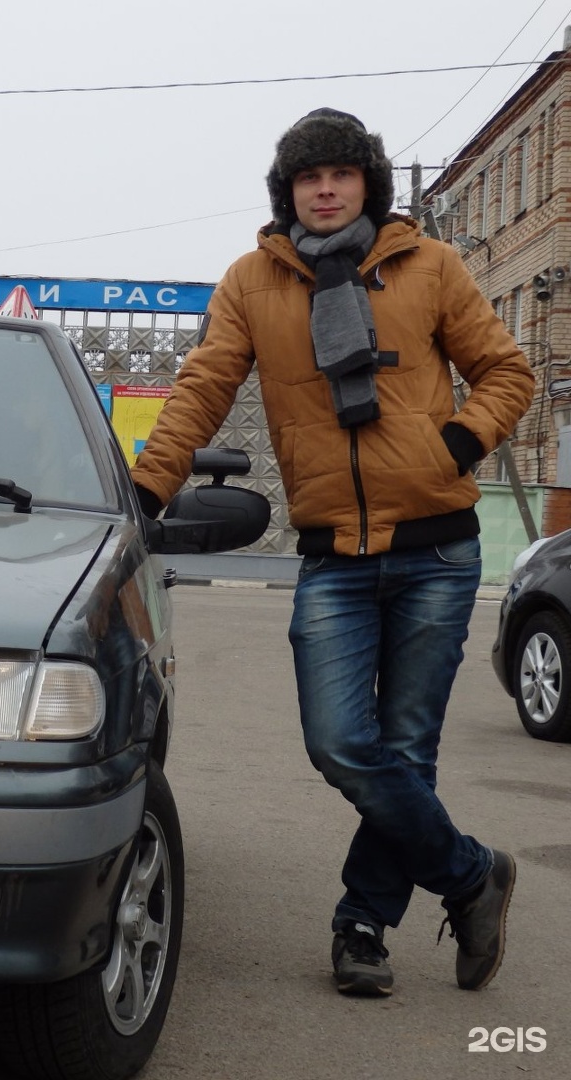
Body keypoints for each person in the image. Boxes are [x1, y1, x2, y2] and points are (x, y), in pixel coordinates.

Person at [130, 108, 534, 998]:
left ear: (367, 184)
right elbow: (202, 389)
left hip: (437, 550)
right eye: (308, 177)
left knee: (406, 747)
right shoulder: (251, 282)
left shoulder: (429, 266)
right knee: (343, 744)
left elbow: (508, 372)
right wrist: (146, 490)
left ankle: (361, 927)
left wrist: (457, 445)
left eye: (342, 175)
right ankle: (472, 875)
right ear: (288, 192)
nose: (324, 189)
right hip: (334, 561)